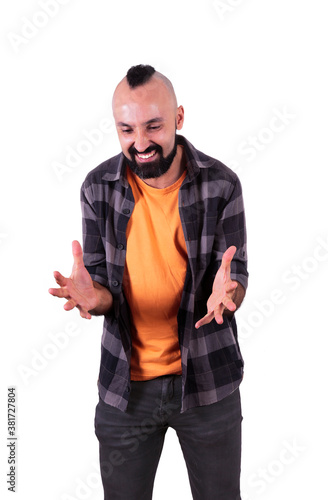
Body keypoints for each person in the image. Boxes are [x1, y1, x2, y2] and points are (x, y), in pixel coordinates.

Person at [49, 64, 248, 500]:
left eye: (153, 126)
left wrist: (227, 293)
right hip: (125, 388)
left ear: (178, 118)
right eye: (126, 129)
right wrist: (91, 295)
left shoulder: (222, 185)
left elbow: (236, 278)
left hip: (207, 382)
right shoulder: (97, 188)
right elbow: (102, 289)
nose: (140, 143)